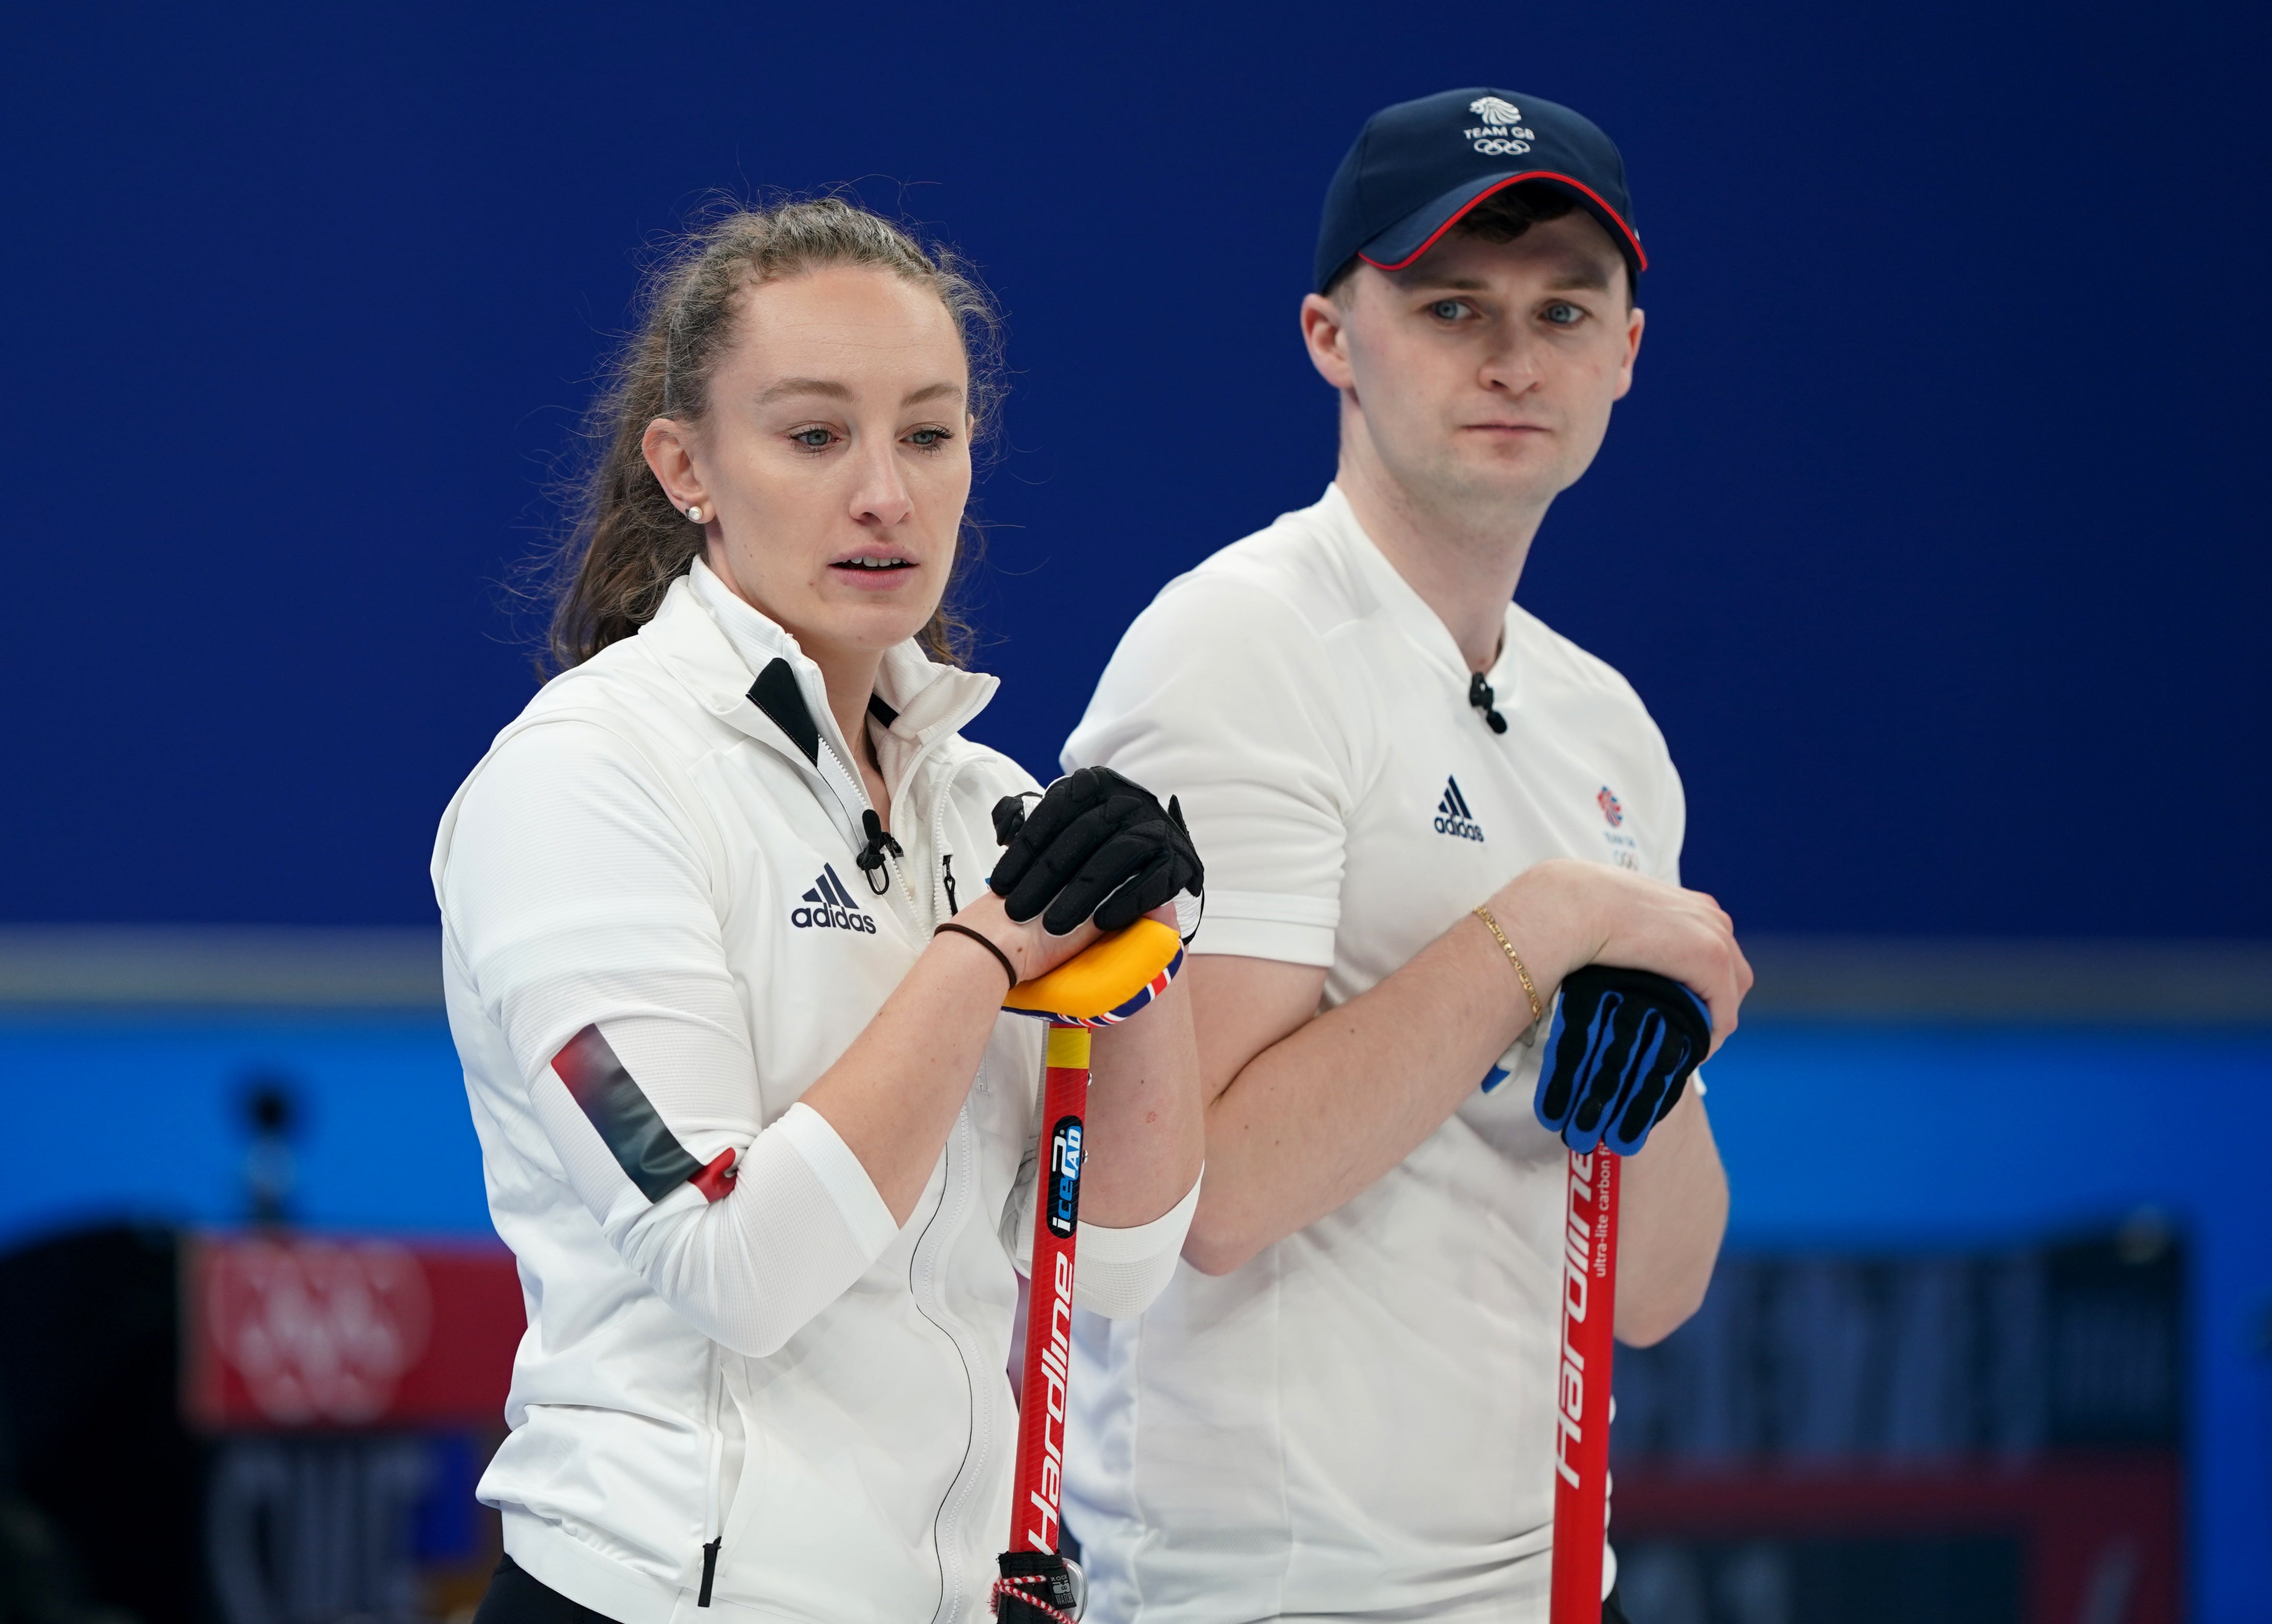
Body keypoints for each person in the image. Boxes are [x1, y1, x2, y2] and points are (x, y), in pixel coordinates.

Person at [432, 198, 1207, 1623]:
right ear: (687, 466)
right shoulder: (577, 787)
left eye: (927, 434)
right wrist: (984, 952)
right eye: (812, 435)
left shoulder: (980, 803)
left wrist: (1147, 958)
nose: (884, 494)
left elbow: (1115, 1265)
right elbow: (728, 1258)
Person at [1058, 90, 1754, 1621]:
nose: (1511, 357)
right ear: (1329, 336)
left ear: (1627, 352)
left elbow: (1652, 1291)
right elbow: (1205, 1199)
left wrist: (1660, 1043)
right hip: (1258, 1592)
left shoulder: (1604, 730)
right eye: (1449, 307)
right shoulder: (1237, 650)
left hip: (1547, 1584)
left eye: (1563, 310)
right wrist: (1540, 929)